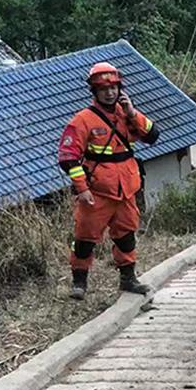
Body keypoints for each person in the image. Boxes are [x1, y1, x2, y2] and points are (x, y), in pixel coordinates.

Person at [56, 62, 159, 300]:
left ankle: (128, 279)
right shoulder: (82, 120)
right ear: (94, 91)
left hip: (126, 190)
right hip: (97, 192)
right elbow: (68, 158)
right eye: (103, 88)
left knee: (126, 236)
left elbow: (152, 135)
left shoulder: (127, 115)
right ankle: (79, 283)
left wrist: (132, 113)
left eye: (113, 87)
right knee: (84, 239)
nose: (109, 92)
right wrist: (82, 189)